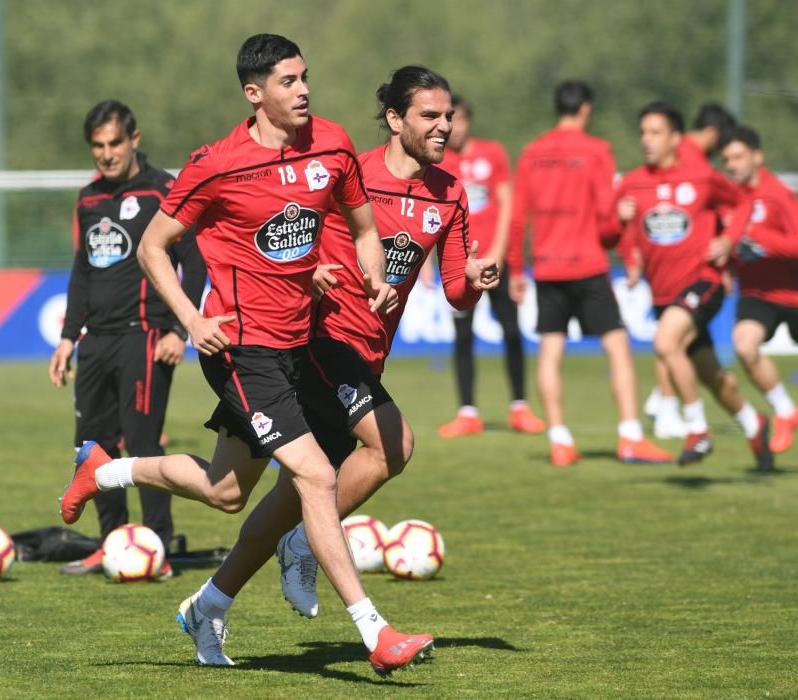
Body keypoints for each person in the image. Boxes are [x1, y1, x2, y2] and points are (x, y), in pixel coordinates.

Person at [57, 34, 433, 674]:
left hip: (300, 344)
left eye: (305, 77)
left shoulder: (333, 144)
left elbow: (365, 228)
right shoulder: (218, 163)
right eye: (288, 81)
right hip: (240, 350)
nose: (304, 90)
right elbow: (153, 246)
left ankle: (109, 474)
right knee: (314, 476)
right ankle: (376, 633)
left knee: (225, 490)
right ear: (254, 93)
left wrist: (374, 276)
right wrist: (191, 317)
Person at [160, 66, 497, 668]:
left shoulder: (450, 193)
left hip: (361, 354)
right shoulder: (349, 167)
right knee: (390, 445)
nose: (444, 126)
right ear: (395, 120)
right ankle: (324, 567)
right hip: (315, 342)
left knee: (243, 491)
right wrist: (309, 269)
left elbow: (452, 289)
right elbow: (286, 223)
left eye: (447, 116)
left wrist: (472, 281)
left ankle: (210, 601)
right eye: (430, 116)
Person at [48, 100, 205, 577]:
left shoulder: (164, 190)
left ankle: (155, 544)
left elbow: (194, 265)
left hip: (145, 336)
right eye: (97, 146)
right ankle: (110, 542)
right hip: (95, 340)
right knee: (91, 444)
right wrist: (67, 338)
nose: (106, 154)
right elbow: (81, 272)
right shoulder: (88, 199)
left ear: (134, 140)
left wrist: (181, 330)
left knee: (141, 444)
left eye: (114, 143)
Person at [509, 80, 672, 467]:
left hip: (547, 266)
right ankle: (631, 436)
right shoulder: (597, 151)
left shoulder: (532, 153)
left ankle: (559, 439)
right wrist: (626, 243)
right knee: (617, 346)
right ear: (585, 110)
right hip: (588, 264)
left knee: (550, 350)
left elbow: (517, 217)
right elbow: (606, 221)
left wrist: (517, 267)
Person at [616, 101, 773, 470]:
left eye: (655, 133)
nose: (646, 140)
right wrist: (627, 250)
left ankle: (698, 429)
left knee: (666, 343)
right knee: (712, 376)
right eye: (643, 133)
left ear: (675, 138)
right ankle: (754, 424)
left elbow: (745, 203)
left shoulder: (701, 177)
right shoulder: (632, 182)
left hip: (704, 281)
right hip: (663, 293)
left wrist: (730, 240)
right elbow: (612, 232)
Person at [721, 125, 798, 453]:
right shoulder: (728, 201)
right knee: (744, 346)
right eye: (726, 159)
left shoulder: (780, 195)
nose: (731, 165)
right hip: (757, 295)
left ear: (757, 157)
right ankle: (787, 412)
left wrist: (761, 238)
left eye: (738, 156)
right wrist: (727, 268)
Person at [435, 95, 544, 438]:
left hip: (496, 262)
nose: (455, 127)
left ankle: (520, 408)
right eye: (449, 120)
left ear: (469, 120)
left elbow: (508, 204)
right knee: (463, 337)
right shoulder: (437, 163)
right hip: (458, 265)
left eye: (460, 119)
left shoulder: (492, 153)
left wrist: (502, 255)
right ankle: (468, 412)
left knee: (512, 332)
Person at [645, 102, 737, 438]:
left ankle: (666, 402)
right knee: (671, 335)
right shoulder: (692, 160)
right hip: (688, 264)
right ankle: (668, 404)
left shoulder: (678, 152)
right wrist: (724, 253)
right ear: (712, 134)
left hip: (668, 260)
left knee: (675, 337)